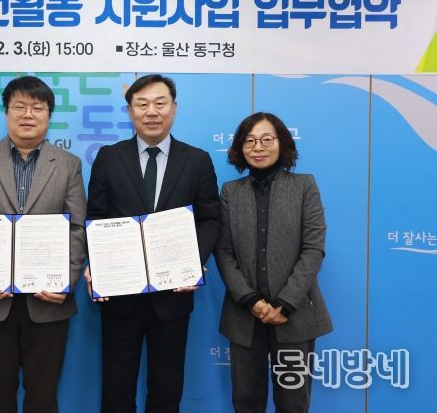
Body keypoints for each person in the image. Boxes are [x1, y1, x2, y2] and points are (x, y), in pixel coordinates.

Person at [0, 75, 87, 413]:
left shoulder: (68, 164)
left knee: (43, 397)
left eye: (37, 107)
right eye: (19, 106)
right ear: (6, 112)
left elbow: (77, 228)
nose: (28, 114)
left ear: (49, 115)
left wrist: (65, 283)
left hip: (48, 302)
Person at [85, 74, 221, 413]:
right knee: (117, 388)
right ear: (130, 111)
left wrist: (194, 261)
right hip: (120, 293)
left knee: (167, 388)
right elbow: (96, 217)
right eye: (142, 104)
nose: (151, 112)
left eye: (160, 103)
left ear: (174, 108)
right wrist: (96, 266)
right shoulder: (109, 157)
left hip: (173, 294)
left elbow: (210, 219)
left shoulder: (197, 160)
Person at [215, 112, 332, 413]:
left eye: (267, 139)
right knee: (246, 402)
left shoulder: (304, 186)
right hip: (244, 315)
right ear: (240, 147)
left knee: (293, 404)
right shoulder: (230, 192)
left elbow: (313, 249)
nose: (258, 147)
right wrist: (249, 299)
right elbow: (224, 252)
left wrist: (285, 303)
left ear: (282, 143)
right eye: (250, 141)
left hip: (293, 316)